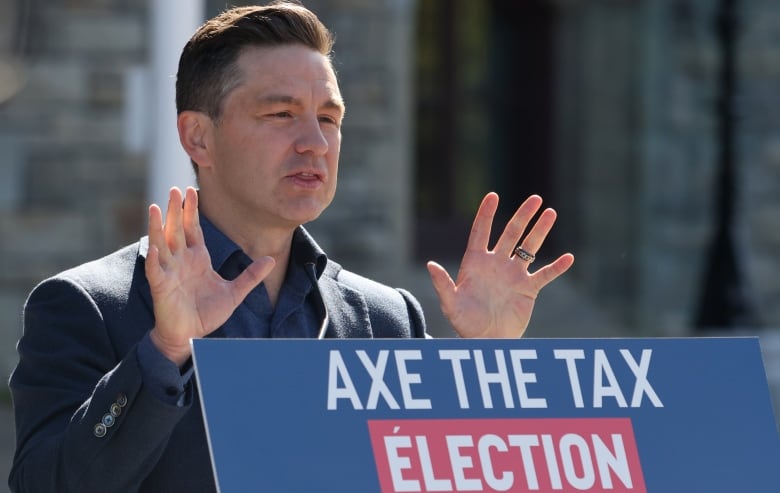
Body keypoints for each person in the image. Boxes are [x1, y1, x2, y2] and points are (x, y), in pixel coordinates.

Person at [8, 2, 574, 492]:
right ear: (197, 136)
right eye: (281, 114)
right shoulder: (84, 307)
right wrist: (165, 349)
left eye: (329, 118)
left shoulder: (388, 322)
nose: (314, 142)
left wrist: (488, 364)